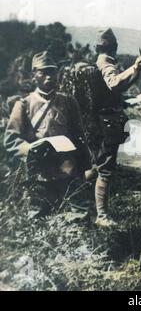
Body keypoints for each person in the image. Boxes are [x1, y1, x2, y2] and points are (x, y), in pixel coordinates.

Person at [4, 51, 90, 218]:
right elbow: (10, 140)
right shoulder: (23, 104)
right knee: (38, 217)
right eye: (43, 72)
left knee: (78, 215)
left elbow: (79, 137)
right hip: (39, 172)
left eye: (52, 71)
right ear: (34, 75)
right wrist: (30, 148)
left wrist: (84, 167)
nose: (49, 76)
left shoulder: (68, 102)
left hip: (68, 169)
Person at [88, 28, 141, 227]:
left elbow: (117, 88)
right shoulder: (106, 62)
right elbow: (113, 83)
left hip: (101, 120)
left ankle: (87, 204)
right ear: (114, 47)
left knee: (99, 165)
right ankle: (101, 215)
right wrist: (133, 68)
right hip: (106, 121)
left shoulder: (101, 61)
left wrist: (135, 71)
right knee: (105, 168)